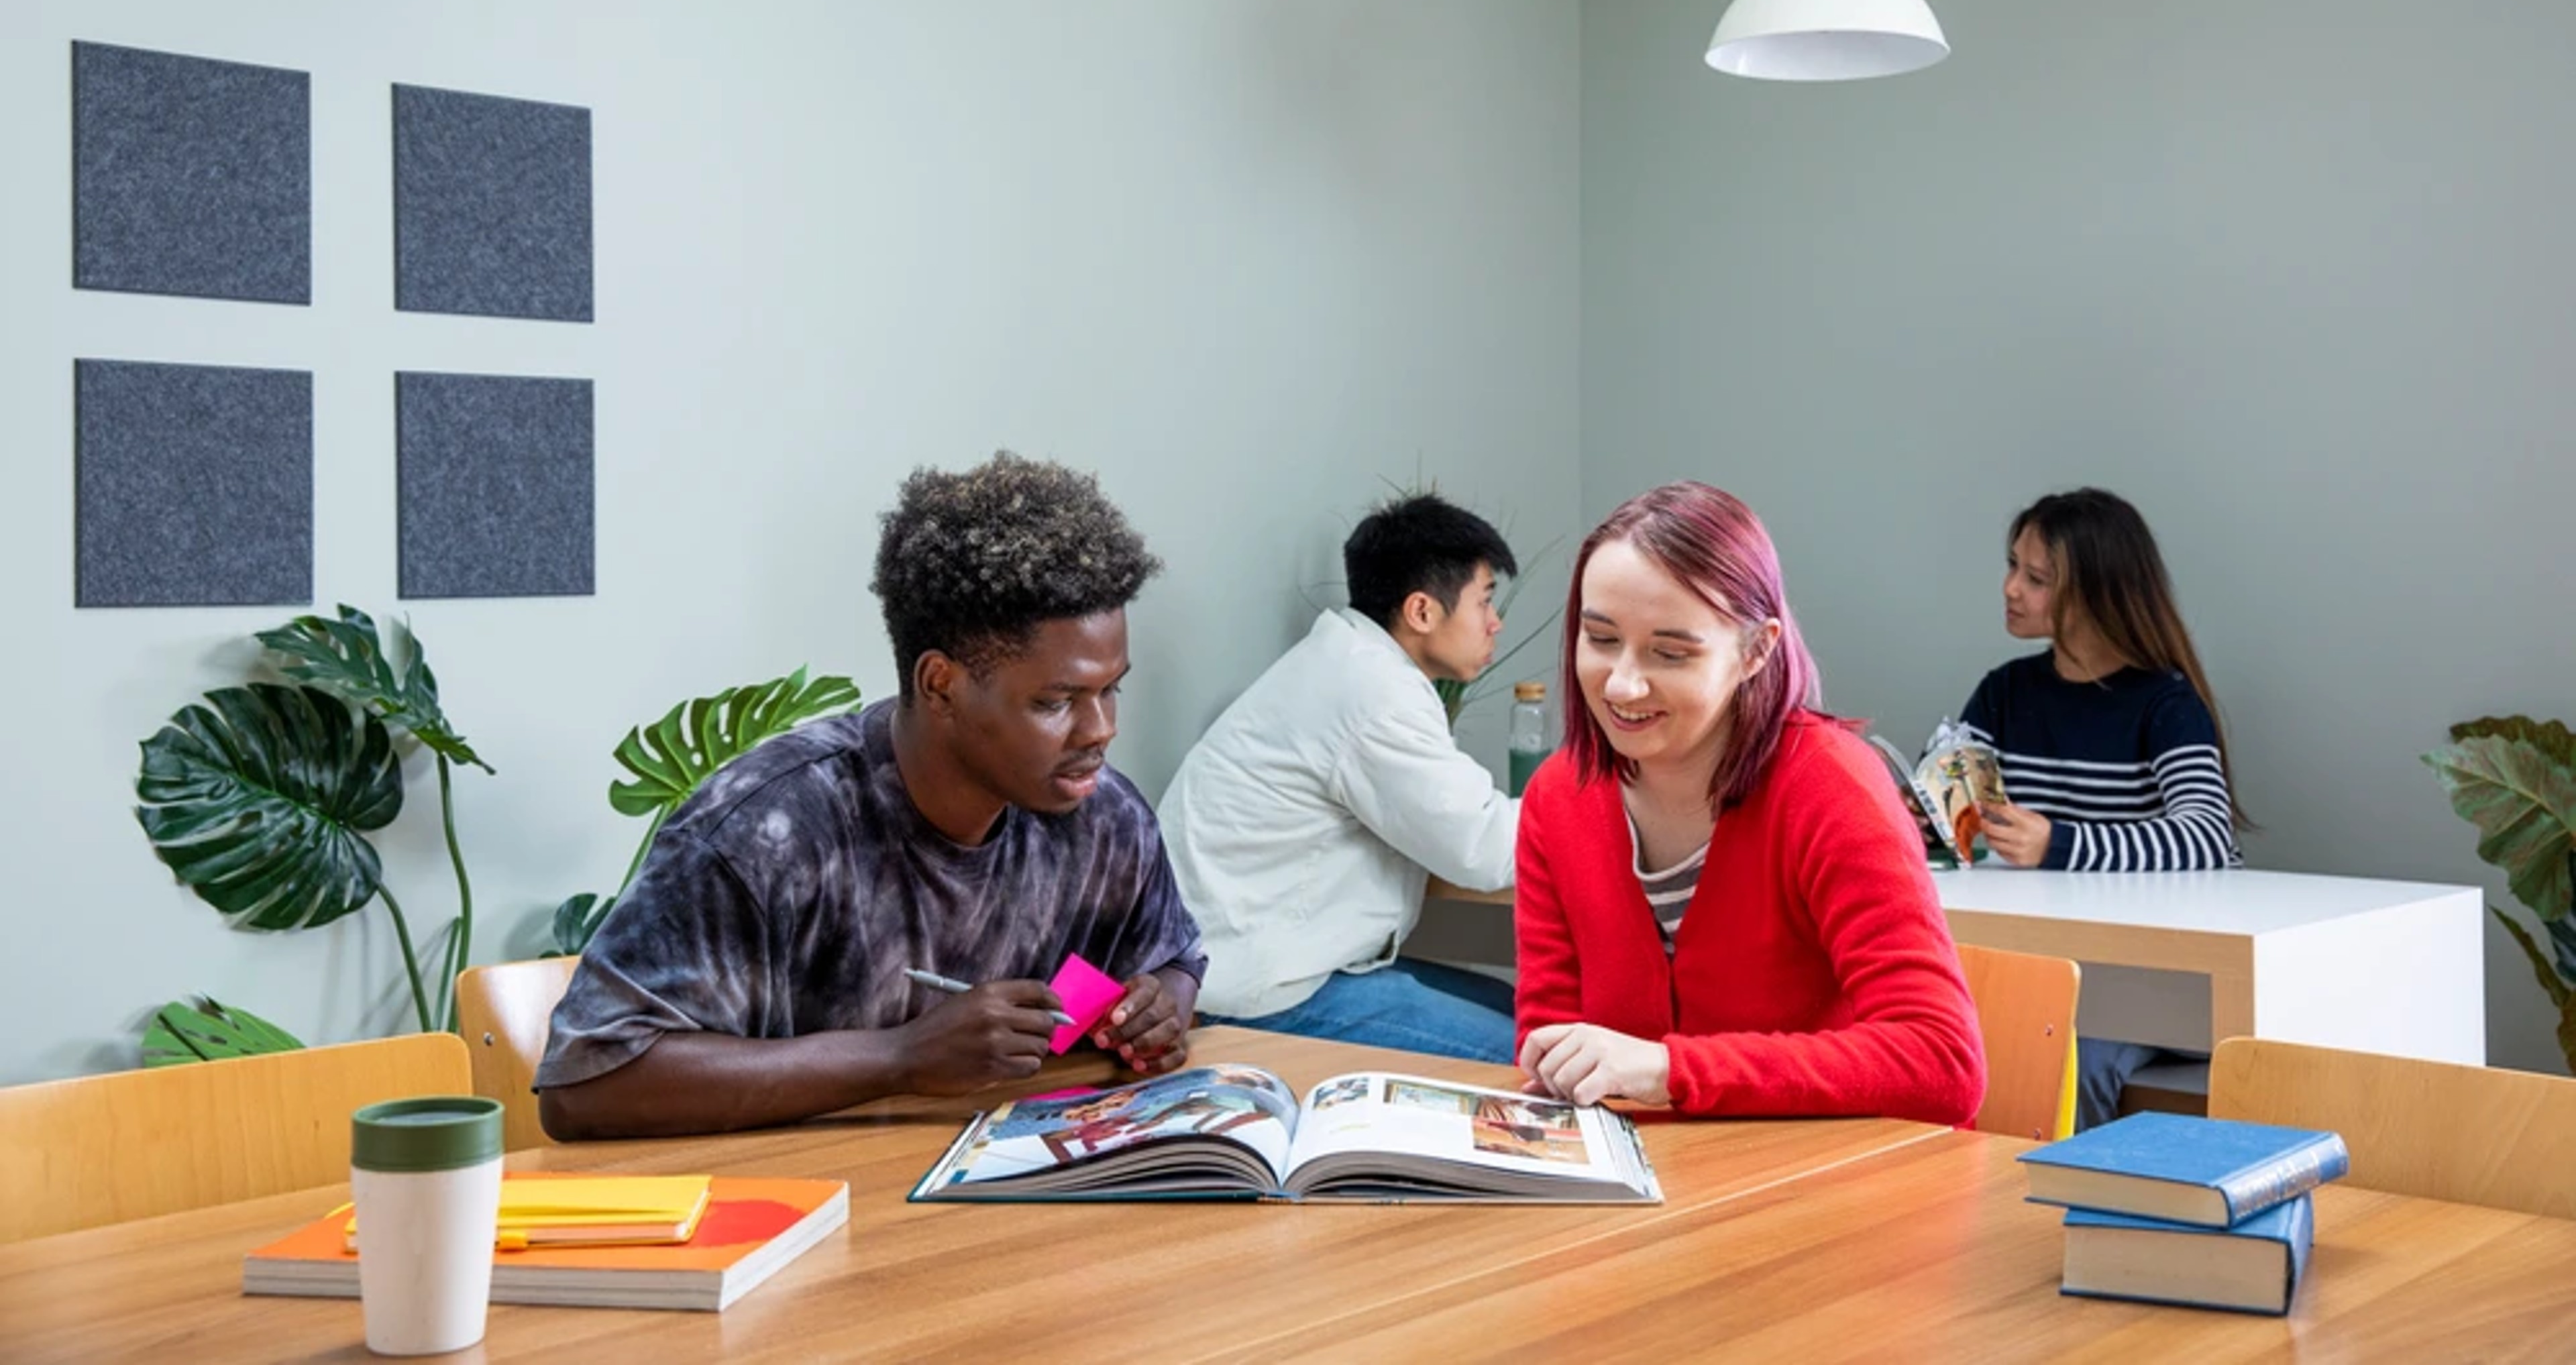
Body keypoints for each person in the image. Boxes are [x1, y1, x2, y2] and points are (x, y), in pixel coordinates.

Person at [535, 453, 1206, 1139]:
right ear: (941, 683)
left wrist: (1165, 1002)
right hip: (793, 1216)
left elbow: (1172, 957)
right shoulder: (766, 831)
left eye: (1110, 688)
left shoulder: (1103, 816)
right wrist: (901, 1055)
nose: (1102, 729)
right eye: (1056, 700)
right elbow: (587, 1085)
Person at [1513, 482, 1985, 1126]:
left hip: (1824, 1191)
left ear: (1756, 650)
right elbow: (1548, 1049)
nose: (1622, 682)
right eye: (1600, 639)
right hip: (1656, 1193)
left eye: (1670, 652)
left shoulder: (1831, 785)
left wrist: (1668, 1070)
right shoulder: (1556, 797)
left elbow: (1943, 1062)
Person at [1159, 493, 1523, 1063]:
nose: (1495, 622)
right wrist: (1607, 811)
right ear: (1422, 611)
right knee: (1527, 1054)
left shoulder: (1349, 663)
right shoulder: (1372, 693)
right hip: (1264, 994)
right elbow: (1482, 847)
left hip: (1264, 965)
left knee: (1517, 1008)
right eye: (1484, 601)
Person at [1953, 486, 2246, 1126]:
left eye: (2036, 578)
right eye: (2012, 566)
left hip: (2147, 976)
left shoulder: (2165, 705)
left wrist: (2057, 844)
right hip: (2043, 958)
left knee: (2060, 1059)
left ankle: (2041, 1209)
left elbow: (2207, 834)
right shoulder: (2005, 692)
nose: (2010, 588)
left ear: (2097, 593)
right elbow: (1947, 799)